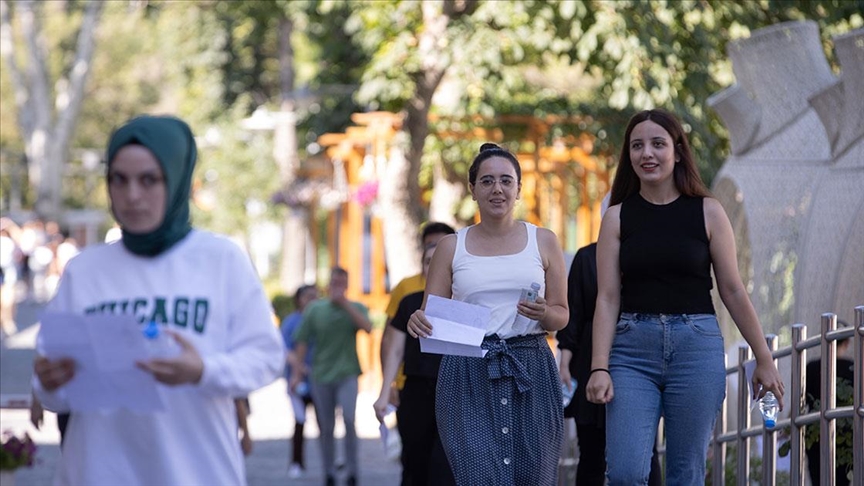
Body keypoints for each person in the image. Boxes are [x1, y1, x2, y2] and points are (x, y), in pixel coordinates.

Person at [31, 115, 284, 485]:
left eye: (149, 180)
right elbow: (55, 393)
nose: (132, 195)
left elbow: (267, 358)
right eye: (119, 179)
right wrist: (48, 382)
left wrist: (204, 371)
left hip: (195, 474)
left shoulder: (221, 260)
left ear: (176, 178)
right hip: (99, 473)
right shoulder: (83, 271)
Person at [585, 109, 785, 485]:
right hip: (631, 353)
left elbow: (733, 290)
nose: (647, 153)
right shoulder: (616, 217)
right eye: (637, 146)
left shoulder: (709, 211)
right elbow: (607, 299)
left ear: (677, 152)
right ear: (629, 155)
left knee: (686, 473)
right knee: (625, 473)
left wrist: (764, 359)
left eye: (657, 144)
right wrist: (599, 367)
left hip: (696, 349)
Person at [407, 143, 569, 485]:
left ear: (519, 189)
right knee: (479, 475)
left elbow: (561, 316)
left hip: (531, 365)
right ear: (473, 189)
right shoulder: (451, 246)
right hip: (468, 370)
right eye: (487, 181)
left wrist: (544, 312)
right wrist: (417, 321)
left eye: (506, 181)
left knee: (535, 475)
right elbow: (430, 315)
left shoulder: (543, 241)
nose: (497, 189)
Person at [557, 201, 662, 486]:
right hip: (590, 360)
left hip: (638, 358)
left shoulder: (648, 256)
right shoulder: (586, 257)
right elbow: (573, 313)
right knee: (591, 452)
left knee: (646, 450)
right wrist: (564, 362)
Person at [374, 244, 455, 486]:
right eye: (429, 261)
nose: (434, 267)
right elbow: (394, 349)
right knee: (414, 463)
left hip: (453, 391)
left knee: (445, 468)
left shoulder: (463, 303)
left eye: (439, 261)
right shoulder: (409, 302)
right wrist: (384, 392)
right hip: (416, 390)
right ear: (422, 267)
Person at [290, 267, 372, 486]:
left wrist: (344, 304)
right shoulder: (315, 310)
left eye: (342, 283)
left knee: (349, 420)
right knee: (326, 426)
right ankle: (329, 472)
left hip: (348, 373)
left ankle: (352, 471)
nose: (338, 287)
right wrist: (296, 374)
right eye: (334, 282)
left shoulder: (356, 307)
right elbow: (302, 341)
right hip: (321, 375)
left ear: (347, 285)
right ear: (328, 285)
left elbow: (368, 327)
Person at [381, 222, 455, 405]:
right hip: (415, 382)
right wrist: (389, 385)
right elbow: (392, 341)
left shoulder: (464, 297)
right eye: (429, 261)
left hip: (454, 385)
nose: (437, 263)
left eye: (443, 248)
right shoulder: (407, 294)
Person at [805, 321, 854, 485]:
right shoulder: (854, 368)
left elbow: (800, 403)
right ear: (847, 342)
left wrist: (788, 429)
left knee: (818, 479)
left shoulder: (812, 367)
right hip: (847, 437)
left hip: (815, 434)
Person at [280, 284, 319, 478]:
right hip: (298, 381)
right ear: (299, 299)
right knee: (299, 422)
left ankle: (329, 461)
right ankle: (296, 462)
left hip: (320, 379)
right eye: (307, 296)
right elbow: (284, 349)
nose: (311, 300)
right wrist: (300, 368)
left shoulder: (322, 319)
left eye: (315, 296)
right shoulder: (291, 322)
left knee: (326, 423)